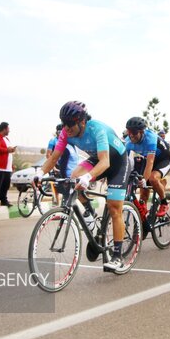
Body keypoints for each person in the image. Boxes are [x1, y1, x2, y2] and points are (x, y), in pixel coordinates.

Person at [35, 101, 130, 272]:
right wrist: (40, 173)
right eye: (64, 123)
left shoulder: (97, 129)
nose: (66, 127)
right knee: (73, 178)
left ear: (82, 121)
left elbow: (105, 162)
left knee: (114, 208)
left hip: (117, 162)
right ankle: (91, 215)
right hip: (97, 158)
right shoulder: (66, 133)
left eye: (70, 123)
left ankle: (118, 256)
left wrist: (89, 176)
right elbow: (54, 157)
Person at [124, 117, 170, 218]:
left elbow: (150, 162)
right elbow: (125, 162)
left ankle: (164, 203)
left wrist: (145, 180)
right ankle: (143, 217)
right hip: (148, 159)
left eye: (134, 132)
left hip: (164, 159)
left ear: (142, 132)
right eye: (129, 132)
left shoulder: (150, 137)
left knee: (152, 179)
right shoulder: (128, 142)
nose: (131, 136)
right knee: (143, 191)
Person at [0, 122, 16, 208]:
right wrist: (7, 150)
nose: (9, 130)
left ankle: (4, 200)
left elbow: (8, 152)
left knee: (6, 184)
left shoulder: (7, 139)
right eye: (8, 128)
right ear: (4, 129)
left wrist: (11, 164)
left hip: (7, 167)